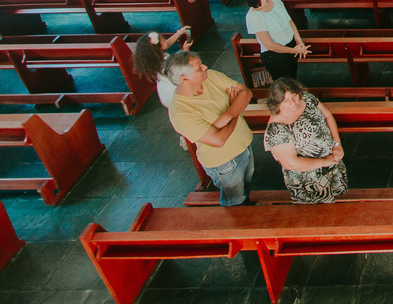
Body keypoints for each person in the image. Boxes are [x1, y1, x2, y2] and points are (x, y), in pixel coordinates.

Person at [165, 50, 253, 206]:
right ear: (184, 78)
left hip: (244, 143)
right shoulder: (181, 112)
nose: (205, 67)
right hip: (224, 162)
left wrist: (225, 117)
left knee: (248, 183)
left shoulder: (210, 77)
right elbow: (219, 140)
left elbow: (246, 92)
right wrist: (235, 109)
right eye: (199, 68)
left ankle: (248, 206)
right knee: (234, 199)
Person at [264, 78, 347, 204]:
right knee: (320, 213)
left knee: (338, 200)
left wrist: (337, 144)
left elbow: (327, 115)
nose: (293, 103)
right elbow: (291, 164)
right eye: (286, 101)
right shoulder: (276, 129)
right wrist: (324, 161)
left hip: (331, 162)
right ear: (276, 102)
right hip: (310, 179)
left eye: (294, 96)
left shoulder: (306, 98)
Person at [243, 0, 308, 85]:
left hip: (291, 46)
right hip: (275, 56)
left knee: (293, 78)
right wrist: (294, 50)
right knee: (285, 85)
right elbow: (269, 45)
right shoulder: (254, 16)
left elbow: (289, 20)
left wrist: (299, 41)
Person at [132, 27, 191, 108]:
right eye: (163, 40)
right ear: (159, 47)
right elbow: (182, 66)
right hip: (175, 91)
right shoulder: (166, 63)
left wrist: (179, 33)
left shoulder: (154, 58)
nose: (166, 40)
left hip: (165, 92)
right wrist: (185, 50)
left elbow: (166, 44)